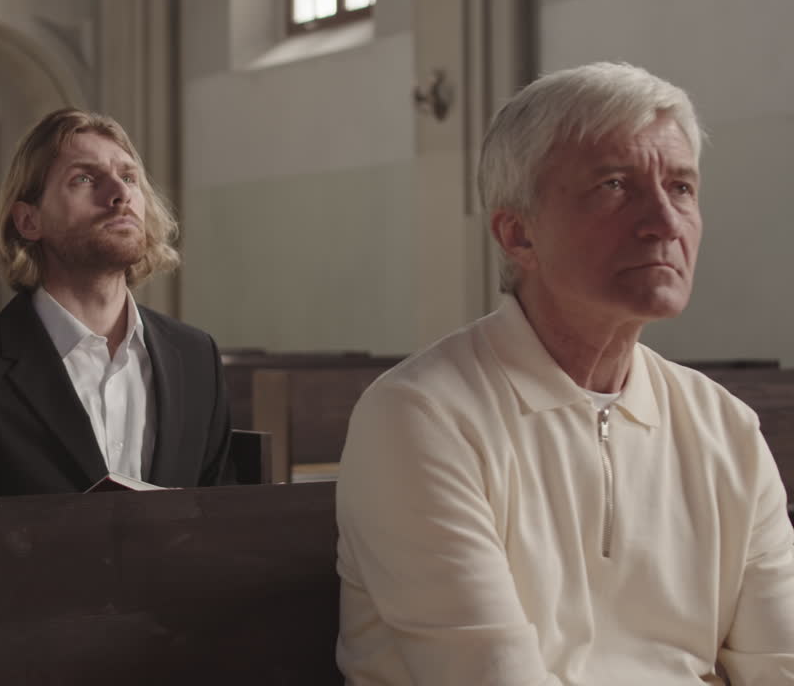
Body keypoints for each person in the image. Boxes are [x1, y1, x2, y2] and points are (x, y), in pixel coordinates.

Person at [337, 62, 794, 685]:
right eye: (615, 185)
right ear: (518, 234)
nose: (665, 222)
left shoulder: (725, 427)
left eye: (682, 188)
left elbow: (781, 665)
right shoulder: (420, 417)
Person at [0, 107, 231, 498]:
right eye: (84, 178)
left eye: (128, 177)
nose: (120, 193)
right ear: (29, 221)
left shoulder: (196, 358)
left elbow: (225, 517)